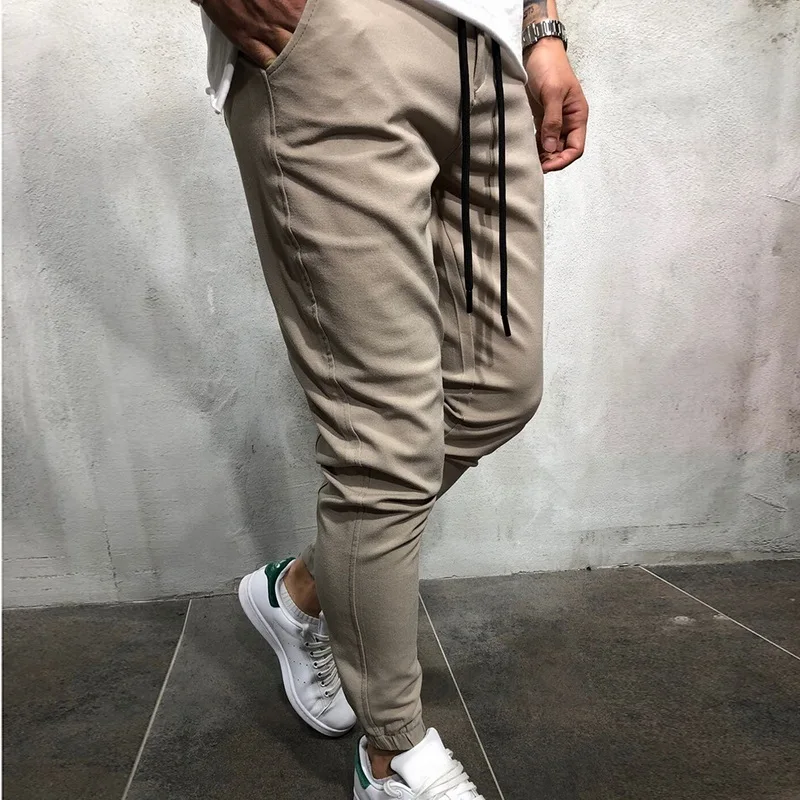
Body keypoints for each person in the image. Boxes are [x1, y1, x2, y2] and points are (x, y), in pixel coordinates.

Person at [196, 0, 587, 795]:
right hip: (336, 37)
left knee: (499, 387)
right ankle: (393, 756)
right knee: (382, 440)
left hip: (488, 56)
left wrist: (542, 30)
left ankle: (301, 591)